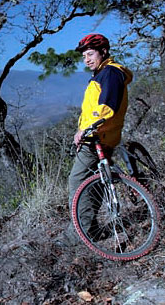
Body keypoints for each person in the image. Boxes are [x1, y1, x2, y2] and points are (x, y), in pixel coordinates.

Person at [67, 33, 133, 240]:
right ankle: (90, 228)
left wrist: (85, 130)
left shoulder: (110, 73)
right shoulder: (104, 73)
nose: (86, 59)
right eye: (84, 56)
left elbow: (106, 108)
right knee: (94, 182)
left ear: (103, 52)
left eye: (90, 54)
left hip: (97, 137)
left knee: (77, 183)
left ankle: (80, 234)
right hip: (102, 135)